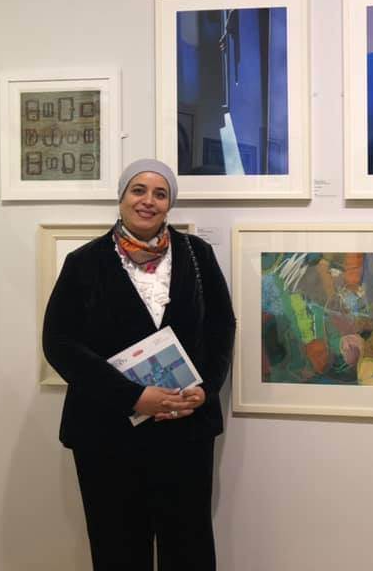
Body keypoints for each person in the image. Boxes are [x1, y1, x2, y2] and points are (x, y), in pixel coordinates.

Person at [43, 159, 236, 571]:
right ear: (121, 197)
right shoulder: (83, 261)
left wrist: (207, 389)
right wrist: (132, 397)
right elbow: (59, 343)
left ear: (170, 205)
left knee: (188, 549)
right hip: (106, 432)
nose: (148, 201)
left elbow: (222, 327)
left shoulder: (198, 255)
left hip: (184, 427)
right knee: (117, 549)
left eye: (160, 194)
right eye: (138, 190)